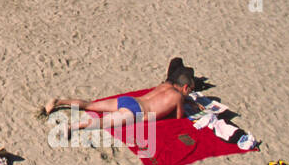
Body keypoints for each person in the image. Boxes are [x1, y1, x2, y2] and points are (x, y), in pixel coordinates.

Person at [44, 57, 198, 135]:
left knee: (90, 104)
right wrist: (188, 104)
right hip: (136, 112)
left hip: (130, 100)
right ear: (185, 87)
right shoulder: (178, 98)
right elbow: (179, 119)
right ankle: (71, 127)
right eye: (189, 91)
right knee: (102, 122)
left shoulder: (165, 85)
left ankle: (58, 101)